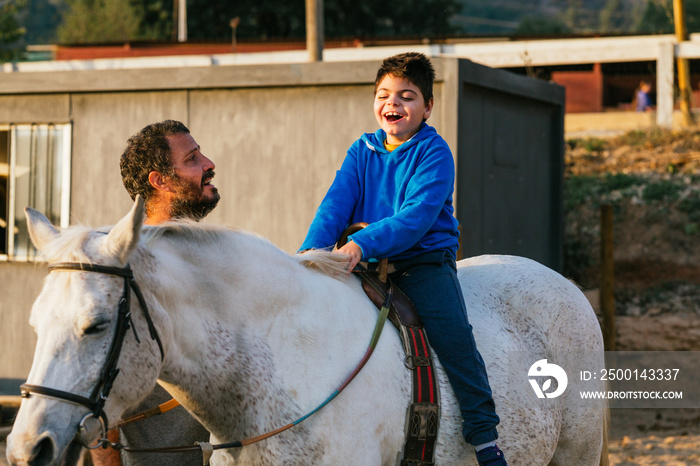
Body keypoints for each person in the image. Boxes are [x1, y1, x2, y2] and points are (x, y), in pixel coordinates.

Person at [299, 52, 507, 466]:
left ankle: (484, 436)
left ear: (427, 107)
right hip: (365, 262)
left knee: (454, 340)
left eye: (407, 96)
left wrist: (361, 244)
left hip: (421, 262)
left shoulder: (434, 153)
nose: (393, 104)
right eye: (384, 94)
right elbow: (335, 205)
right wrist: (310, 253)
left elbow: (414, 218)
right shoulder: (363, 150)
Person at [91, 119, 217, 466]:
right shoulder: (122, 270)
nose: (209, 164)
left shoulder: (207, 257)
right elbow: (100, 402)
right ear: (160, 181)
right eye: (192, 158)